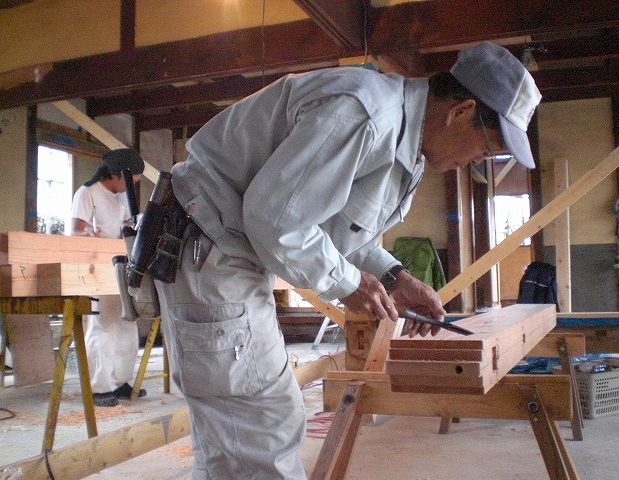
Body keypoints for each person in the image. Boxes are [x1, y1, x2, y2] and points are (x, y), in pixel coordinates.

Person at [152, 41, 541, 479]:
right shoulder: (363, 114)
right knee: (262, 427)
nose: (474, 162)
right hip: (210, 244)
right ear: (460, 111)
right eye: (484, 150)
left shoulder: (408, 146)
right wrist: (349, 284)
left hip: (225, 249)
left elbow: (335, 231)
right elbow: (275, 222)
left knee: (239, 439)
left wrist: (395, 277)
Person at [70, 148, 147, 407]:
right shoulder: (87, 193)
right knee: (103, 326)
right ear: (115, 175)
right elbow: (76, 231)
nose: (132, 186)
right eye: (131, 181)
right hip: (98, 267)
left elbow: (125, 224)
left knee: (127, 323)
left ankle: (121, 381)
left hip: (121, 265)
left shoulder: (122, 196)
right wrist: (94, 238)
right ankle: (99, 387)